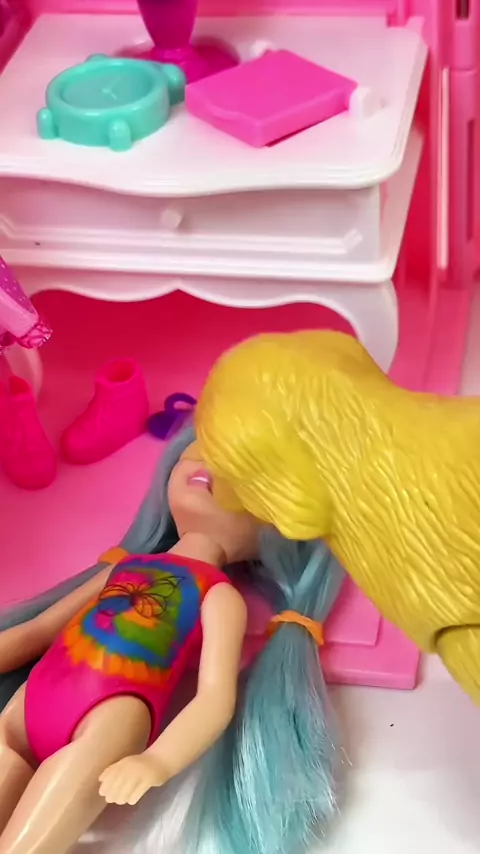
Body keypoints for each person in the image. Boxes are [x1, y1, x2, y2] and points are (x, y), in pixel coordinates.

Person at [0, 428, 345, 854]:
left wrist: (157, 761)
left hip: (109, 716)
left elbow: (214, 698)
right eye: (199, 452)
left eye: (245, 476)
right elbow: (39, 631)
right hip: (31, 700)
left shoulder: (218, 596)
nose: (210, 467)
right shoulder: (122, 569)